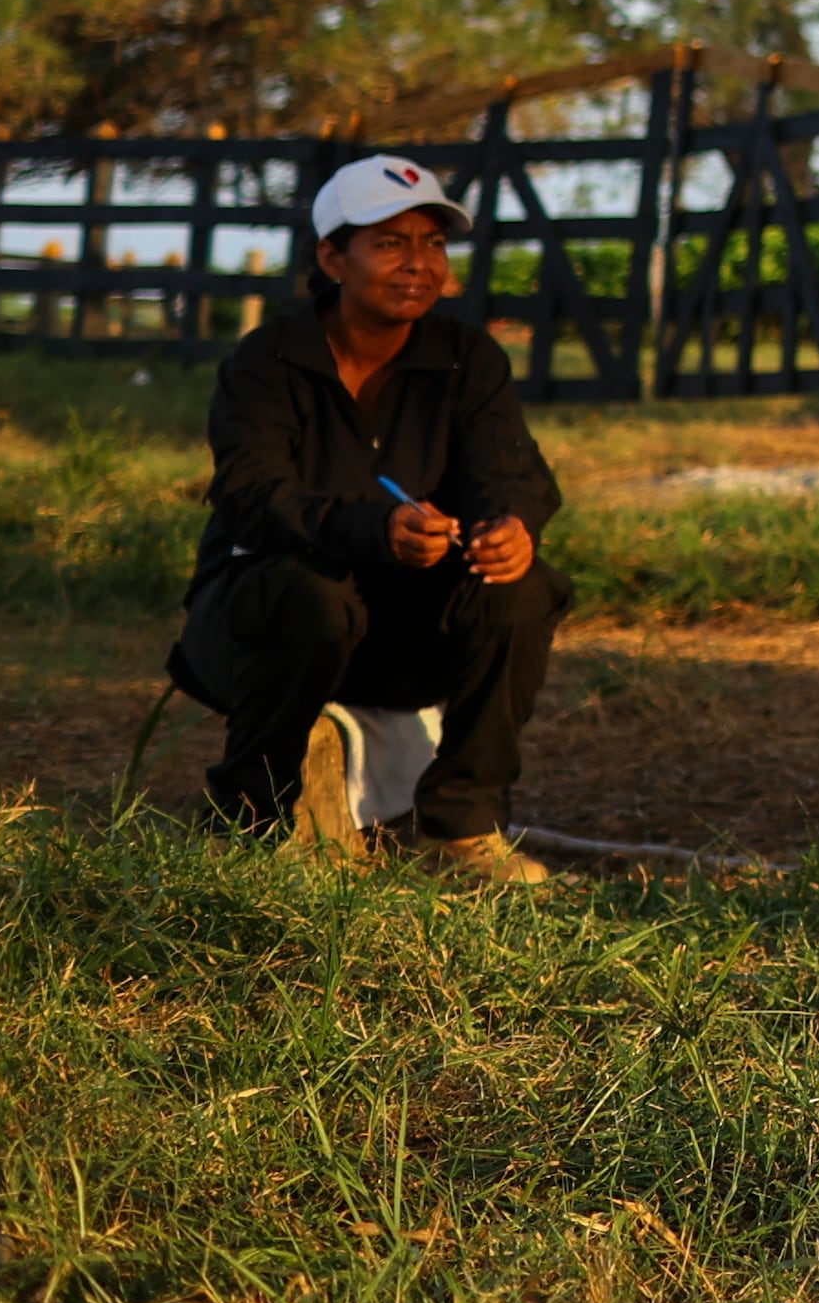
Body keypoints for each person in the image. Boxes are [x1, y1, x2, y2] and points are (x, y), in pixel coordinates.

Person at [177, 153, 568, 885]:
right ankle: (248, 820)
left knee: (522, 586)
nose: (419, 263)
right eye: (390, 243)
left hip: (398, 638)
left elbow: (511, 473)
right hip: (259, 630)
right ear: (333, 256)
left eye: (433, 243)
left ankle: (460, 831)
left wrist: (511, 525)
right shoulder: (268, 362)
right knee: (310, 591)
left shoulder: (467, 359)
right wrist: (371, 527)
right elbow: (252, 498)